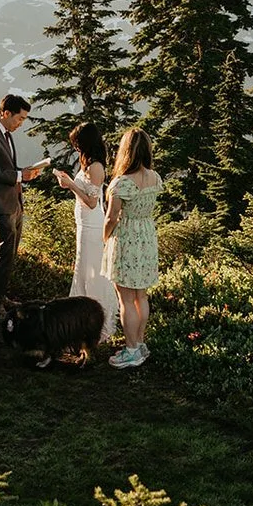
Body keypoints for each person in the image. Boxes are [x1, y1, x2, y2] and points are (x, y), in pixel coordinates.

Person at [102, 127, 161, 369]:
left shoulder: (122, 182)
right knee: (141, 295)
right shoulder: (155, 177)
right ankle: (140, 342)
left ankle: (131, 349)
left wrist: (104, 238)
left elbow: (112, 217)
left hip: (127, 237)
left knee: (126, 298)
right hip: (147, 235)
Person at [0, 93, 42, 306]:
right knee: (3, 252)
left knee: (9, 253)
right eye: (20, 118)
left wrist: (23, 173)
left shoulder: (6, 134)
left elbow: (6, 168)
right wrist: (18, 176)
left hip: (13, 203)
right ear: (6, 113)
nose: (21, 123)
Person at [54, 121, 116, 342]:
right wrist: (70, 184)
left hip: (92, 224)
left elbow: (91, 201)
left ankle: (98, 324)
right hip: (83, 223)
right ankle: (80, 321)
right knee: (82, 269)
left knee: (92, 273)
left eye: (78, 144)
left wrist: (71, 184)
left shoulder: (96, 166)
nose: (76, 148)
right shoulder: (87, 164)